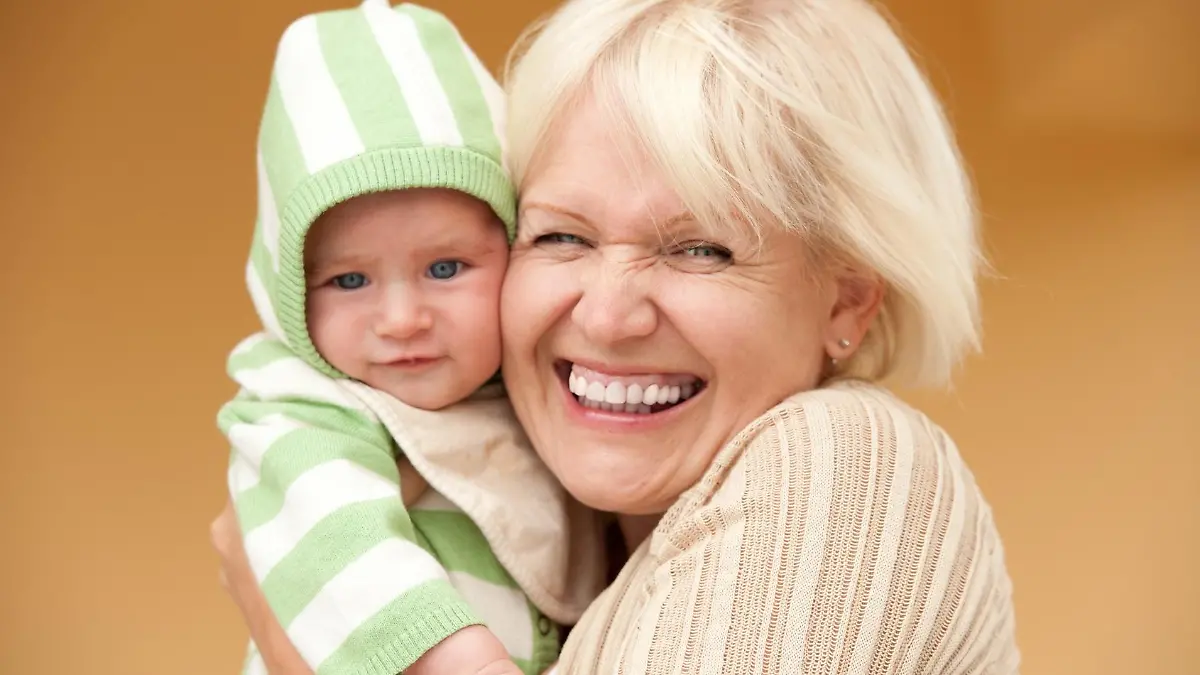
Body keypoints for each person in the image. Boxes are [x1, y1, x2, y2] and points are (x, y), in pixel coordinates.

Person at [213, 0, 1021, 672]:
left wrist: (286, 630)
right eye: (561, 236)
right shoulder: (529, 526)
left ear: (847, 302)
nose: (605, 315)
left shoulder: (844, 461)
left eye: (701, 248)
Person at [214, 1, 603, 674]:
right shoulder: (301, 411)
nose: (402, 318)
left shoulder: (540, 390)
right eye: (348, 281)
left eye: (445, 268)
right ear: (290, 290)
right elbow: (340, 544)